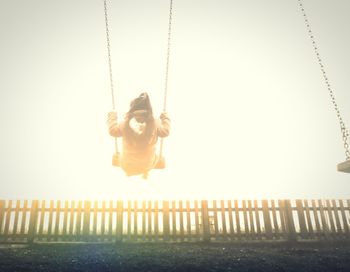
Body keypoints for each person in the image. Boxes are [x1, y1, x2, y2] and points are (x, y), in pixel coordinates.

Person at [107, 92, 170, 178]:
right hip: (148, 164)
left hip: (126, 165)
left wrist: (112, 116)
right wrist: (165, 118)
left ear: (132, 109)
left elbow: (112, 131)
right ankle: (145, 171)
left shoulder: (125, 124)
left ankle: (133, 171)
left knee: (121, 157)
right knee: (155, 158)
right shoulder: (155, 123)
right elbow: (165, 132)